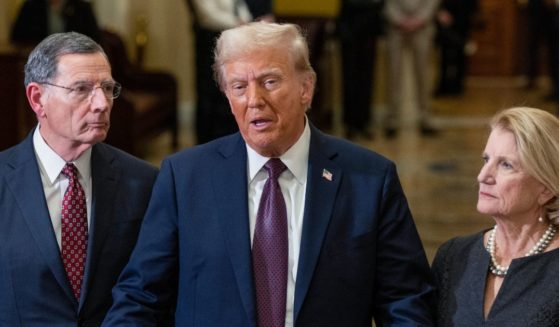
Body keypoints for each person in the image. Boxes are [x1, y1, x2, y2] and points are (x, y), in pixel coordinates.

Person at [102, 22, 435, 326]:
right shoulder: (185, 177)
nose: (254, 100)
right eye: (238, 86)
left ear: (307, 88)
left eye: (270, 82)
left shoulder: (370, 179)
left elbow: (405, 301)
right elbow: (141, 296)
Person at [0, 32, 159, 326]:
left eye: (108, 88)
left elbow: (154, 289)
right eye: (82, 89)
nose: (101, 103)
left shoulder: (145, 182)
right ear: (38, 99)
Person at [432, 107, 559, 326]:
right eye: (486, 159)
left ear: (546, 188)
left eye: (506, 165)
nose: (483, 176)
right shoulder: (453, 256)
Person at [184, 0, 252, 144]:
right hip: (210, 42)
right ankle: (207, 144)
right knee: (210, 95)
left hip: (234, 40)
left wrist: (246, 22)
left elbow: (239, 5)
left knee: (231, 91)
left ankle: (230, 141)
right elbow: (207, 16)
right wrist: (238, 24)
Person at [384, 0, 439, 138]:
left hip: (423, 28)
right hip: (396, 28)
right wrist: (399, 19)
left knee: (423, 76)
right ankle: (392, 119)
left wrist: (420, 19)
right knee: (393, 76)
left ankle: (425, 118)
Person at [337, 0, 385, 140]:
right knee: (349, 78)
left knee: (367, 78)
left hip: (370, 29)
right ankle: (349, 124)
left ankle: (364, 122)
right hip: (349, 28)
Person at [433, 0, 479, 97]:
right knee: (445, 59)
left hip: (463, 23)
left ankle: (457, 88)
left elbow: (474, 7)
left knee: (460, 59)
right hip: (446, 27)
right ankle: (443, 87)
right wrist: (440, 13)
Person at [10, 0, 101, 45]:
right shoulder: (31, 6)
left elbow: (94, 39)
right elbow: (16, 36)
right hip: (40, 60)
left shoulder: (82, 7)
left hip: (75, 59)